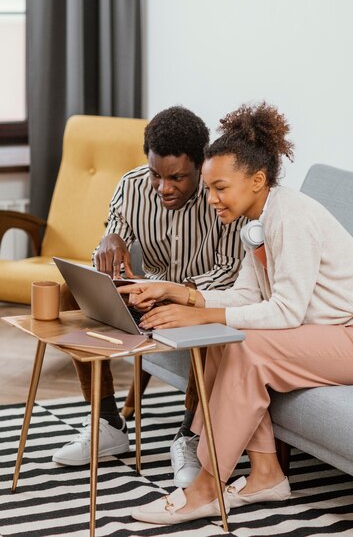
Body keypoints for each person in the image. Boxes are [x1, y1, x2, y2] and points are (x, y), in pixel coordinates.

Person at [119, 102, 353, 525]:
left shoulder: (291, 216)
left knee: (246, 349)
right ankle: (265, 474)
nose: (211, 200)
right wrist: (183, 295)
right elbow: (245, 294)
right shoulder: (256, 222)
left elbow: (285, 311)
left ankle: (206, 488)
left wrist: (204, 316)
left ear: (258, 180)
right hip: (347, 334)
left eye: (220, 188)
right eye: (208, 188)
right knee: (222, 344)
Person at [52, 106, 246, 490]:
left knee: (206, 319)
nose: (163, 187)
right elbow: (111, 239)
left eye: (177, 178)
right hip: (150, 290)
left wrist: (179, 295)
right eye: (156, 174)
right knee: (66, 296)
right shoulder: (133, 185)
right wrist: (110, 242)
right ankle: (108, 421)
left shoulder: (221, 196)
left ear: (201, 164)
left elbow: (229, 270)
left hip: (203, 296)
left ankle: (190, 436)